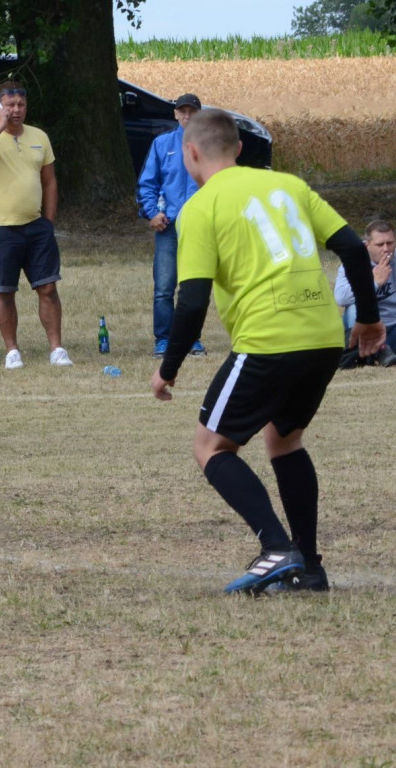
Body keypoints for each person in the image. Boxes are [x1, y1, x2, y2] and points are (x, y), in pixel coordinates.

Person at [150, 109, 385, 595]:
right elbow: (355, 249)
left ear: (191, 153)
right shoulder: (289, 186)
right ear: (238, 149)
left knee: (211, 447)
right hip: (321, 338)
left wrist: (167, 369)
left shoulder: (199, 207)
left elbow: (191, 299)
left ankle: (277, 546)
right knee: (284, 440)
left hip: (267, 340)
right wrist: (367, 318)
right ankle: (311, 570)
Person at [0, 80, 71, 369]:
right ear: (0, 106)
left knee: (48, 288)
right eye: (10, 105)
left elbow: (49, 182)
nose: (16, 110)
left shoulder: (39, 137)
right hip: (0, 228)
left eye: (21, 105)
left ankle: (57, 349)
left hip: (37, 227)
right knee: (5, 290)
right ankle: (12, 350)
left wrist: (48, 221)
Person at [137, 93, 207, 358]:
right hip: (168, 227)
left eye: (192, 112)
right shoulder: (162, 144)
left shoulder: (210, 146)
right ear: (175, 114)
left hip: (200, 228)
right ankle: (164, 339)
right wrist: (152, 213)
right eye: (182, 112)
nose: (187, 116)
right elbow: (147, 183)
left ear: (200, 115)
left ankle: (192, 339)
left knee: (194, 286)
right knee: (164, 287)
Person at [334, 219, 396, 367]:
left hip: (393, 324)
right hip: (366, 325)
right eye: (380, 245)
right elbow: (341, 298)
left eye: (390, 243)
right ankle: (378, 350)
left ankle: (377, 353)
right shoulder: (354, 261)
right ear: (367, 245)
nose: (386, 249)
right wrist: (373, 283)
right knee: (354, 309)